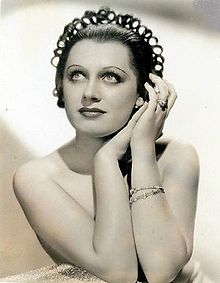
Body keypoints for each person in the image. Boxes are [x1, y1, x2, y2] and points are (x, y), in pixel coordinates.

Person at [12, 7, 209, 283]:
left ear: (145, 93)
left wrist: (141, 151)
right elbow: (121, 274)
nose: (90, 93)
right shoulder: (36, 178)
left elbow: (161, 270)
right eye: (77, 75)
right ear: (61, 87)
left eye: (110, 77)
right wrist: (106, 160)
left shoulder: (177, 156)